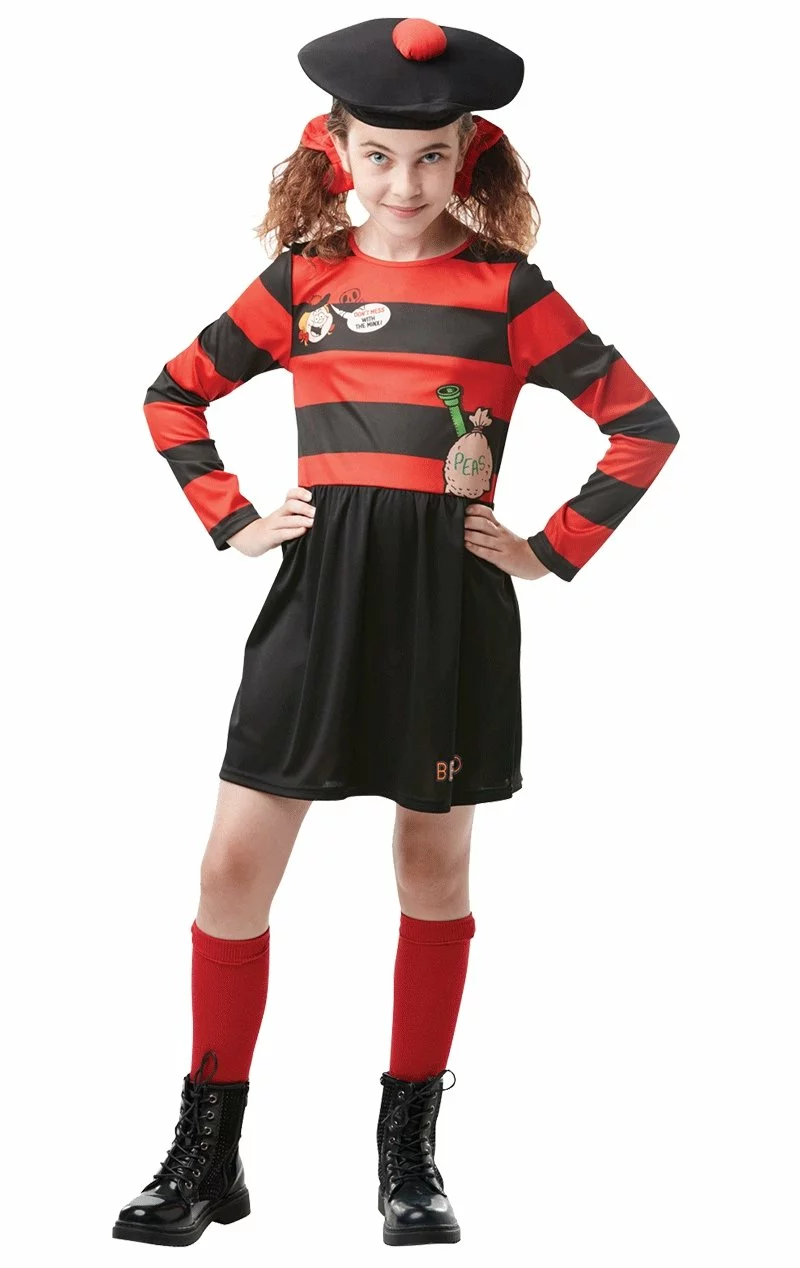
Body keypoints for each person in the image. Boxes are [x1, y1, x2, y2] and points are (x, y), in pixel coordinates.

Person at [113, 16, 680, 1249]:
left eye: (429, 158)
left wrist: (547, 545)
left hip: (445, 606)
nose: (403, 183)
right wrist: (234, 518)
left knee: (430, 871)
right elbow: (172, 394)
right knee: (230, 869)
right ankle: (207, 1149)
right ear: (336, 150)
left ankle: (407, 1154)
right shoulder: (301, 282)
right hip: (317, 597)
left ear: (467, 152)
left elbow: (641, 425)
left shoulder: (508, 291)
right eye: (377, 155)